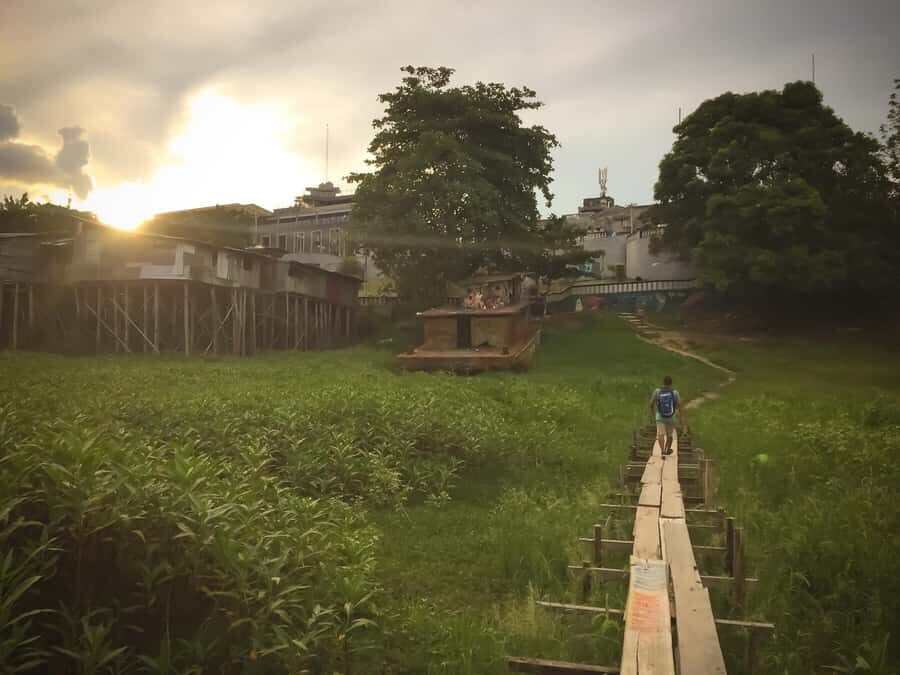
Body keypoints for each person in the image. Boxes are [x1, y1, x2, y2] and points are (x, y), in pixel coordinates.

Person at [650, 375, 683, 456]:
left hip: (660, 417)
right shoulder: (675, 393)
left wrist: (653, 414)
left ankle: (662, 451)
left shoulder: (657, 391)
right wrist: (680, 418)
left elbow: (651, 404)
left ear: (663, 382)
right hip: (671, 417)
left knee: (660, 434)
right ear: (671, 383)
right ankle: (667, 449)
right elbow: (679, 406)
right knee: (670, 435)